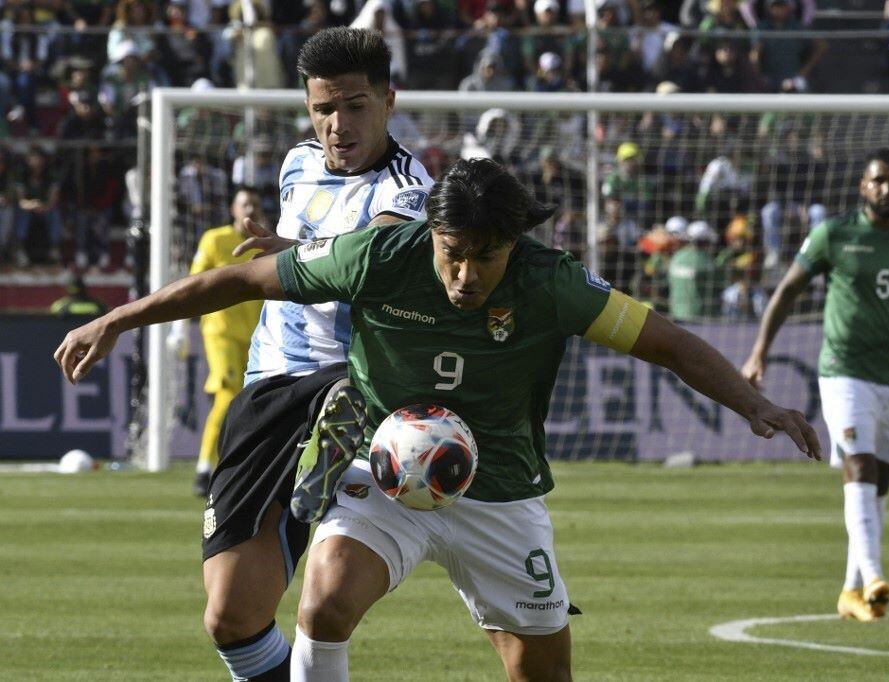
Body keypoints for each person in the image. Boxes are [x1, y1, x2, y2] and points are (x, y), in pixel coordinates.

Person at [55, 157, 821, 680]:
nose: (465, 273)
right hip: (385, 474)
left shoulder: (550, 283)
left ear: (512, 244)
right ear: (431, 232)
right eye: (453, 252)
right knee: (323, 603)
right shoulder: (377, 256)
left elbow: (669, 342)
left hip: (501, 495)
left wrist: (756, 403)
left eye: (484, 257)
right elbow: (236, 279)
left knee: (541, 669)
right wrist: (118, 319)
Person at [129, 27, 431, 681]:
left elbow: (361, 263)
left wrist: (289, 256)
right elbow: (301, 245)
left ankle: (334, 452)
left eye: (355, 106)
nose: (337, 125)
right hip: (267, 391)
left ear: (388, 99)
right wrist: (282, 242)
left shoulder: (410, 190)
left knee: (321, 604)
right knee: (231, 618)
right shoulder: (295, 164)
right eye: (323, 108)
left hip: (345, 381)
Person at [741, 148, 889, 622]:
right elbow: (787, 292)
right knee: (860, 464)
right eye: (879, 180)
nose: (887, 188)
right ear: (863, 186)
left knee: (879, 483)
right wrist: (761, 349)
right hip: (843, 370)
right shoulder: (834, 234)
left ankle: (851, 591)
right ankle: (875, 574)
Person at [166, 187, 266, 497]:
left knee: (254, 403)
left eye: (254, 203)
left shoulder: (265, 241)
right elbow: (192, 285)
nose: (249, 208)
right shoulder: (214, 239)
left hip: (256, 338)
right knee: (226, 397)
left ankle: (242, 468)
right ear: (233, 210)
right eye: (243, 203)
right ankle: (203, 469)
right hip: (220, 332)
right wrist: (180, 328)